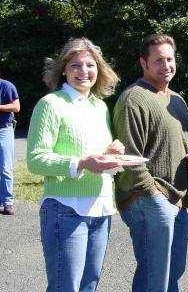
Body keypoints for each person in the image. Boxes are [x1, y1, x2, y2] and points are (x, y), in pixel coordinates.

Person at [27, 37, 124, 292]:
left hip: (101, 208)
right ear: (63, 70)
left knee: (88, 286)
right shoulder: (51, 104)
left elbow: (96, 157)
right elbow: (36, 159)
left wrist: (112, 153)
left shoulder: (100, 107)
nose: (84, 72)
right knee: (65, 287)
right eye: (75, 66)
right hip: (66, 209)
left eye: (90, 65)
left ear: (99, 70)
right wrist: (81, 163)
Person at [113, 34, 188, 292]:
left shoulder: (176, 100)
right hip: (148, 200)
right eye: (158, 60)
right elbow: (129, 156)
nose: (166, 65)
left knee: (172, 272)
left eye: (170, 59)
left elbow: (183, 143)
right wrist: (153, 195)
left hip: (177, 200)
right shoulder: (134, 99)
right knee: (155, 276)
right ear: (144, 63)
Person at [0, 77, 20, 215]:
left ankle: (7, 202)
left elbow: (16, 106)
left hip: (4, 130)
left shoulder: (6, 86)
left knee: (5, 168)